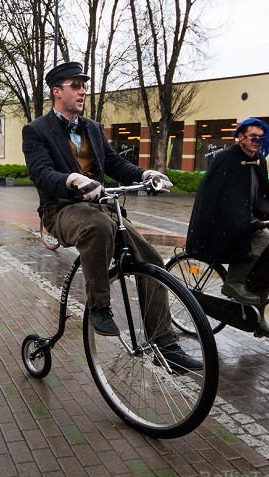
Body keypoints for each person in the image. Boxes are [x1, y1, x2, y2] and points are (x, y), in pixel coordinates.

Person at [22, 61, 201, 371]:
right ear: (56, 91)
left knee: (152, 261)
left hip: (101, 207)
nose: (82, 91)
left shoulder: (91, 127)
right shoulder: (37, 130)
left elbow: (116, 165)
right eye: (75, 86)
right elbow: (41, 174)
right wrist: (74, 180)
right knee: (97, 227)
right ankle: (99, 307)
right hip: (61, 209)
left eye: (84, 85)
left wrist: (147, 174)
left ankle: (164, 343)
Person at [186, 117, 269, 338]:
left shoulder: (258, 160)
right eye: (253, 137)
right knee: (262, 236)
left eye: (262, 138)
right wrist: (245, 222)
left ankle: (258, 319)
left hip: (244, 219)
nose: (258, 141)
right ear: (240, 138)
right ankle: (233, 283)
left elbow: (261, 195)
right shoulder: (225, 159)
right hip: (220, 223)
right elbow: (216, 199)